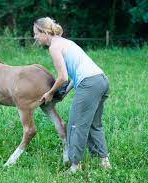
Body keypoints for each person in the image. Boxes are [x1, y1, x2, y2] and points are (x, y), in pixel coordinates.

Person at [33, 17, 112, 174]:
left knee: (76, 125)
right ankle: (104, 162)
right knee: (94, 124)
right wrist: (63, 93)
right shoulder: (66, 42)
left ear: (45, 32)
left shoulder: (54, 47)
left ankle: (75, 166)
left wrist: (49, 93)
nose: (34, 37)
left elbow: (63, 77)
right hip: (101, 80)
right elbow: (73, 75)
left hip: (89, 84)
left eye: (36, 33)